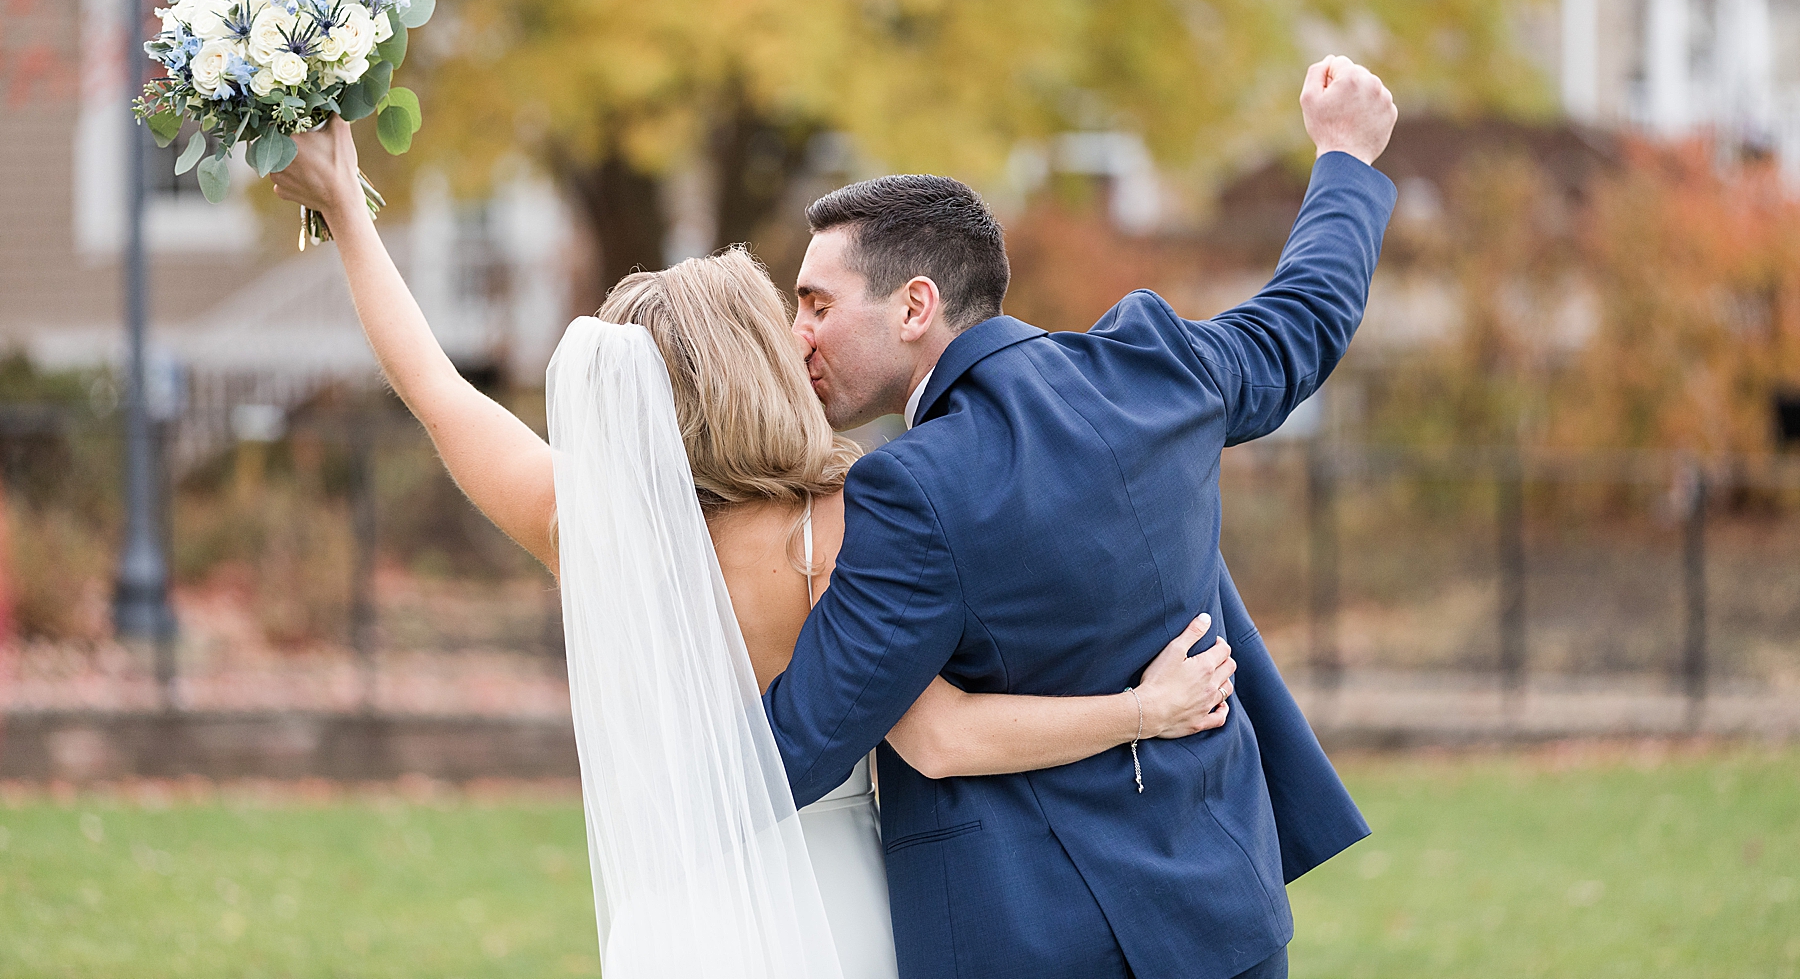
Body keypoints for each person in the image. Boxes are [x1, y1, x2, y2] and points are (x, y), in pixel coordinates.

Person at [272, 128, 1242, 977]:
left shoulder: (583, 527)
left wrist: (346, 208)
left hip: (674, 928)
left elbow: (433, 384)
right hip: (837, 913)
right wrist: (1141, 710)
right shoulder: (846, 524)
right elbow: (943, 740)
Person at [761, 54, 1399, 979]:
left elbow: (796, 746)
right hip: (1228, 922)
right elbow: (1304, 320)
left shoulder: (908, 493)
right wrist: (1345, 156)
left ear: (915, 307)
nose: (798, 334)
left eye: (817, 304)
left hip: (1035, 943)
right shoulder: (1158, 369)